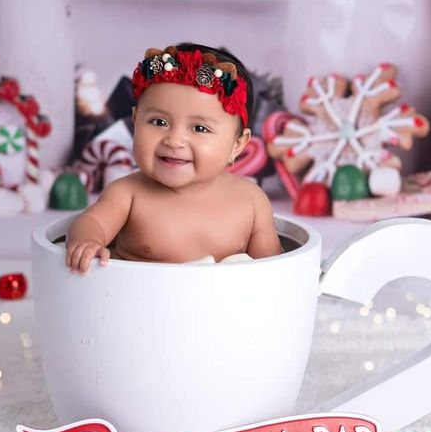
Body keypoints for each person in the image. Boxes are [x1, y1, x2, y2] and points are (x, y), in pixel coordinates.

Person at [66, 42, 282, 272]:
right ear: (135, 120)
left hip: (223, 307)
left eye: (199, 128)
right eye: (159, 122)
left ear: (237, 144)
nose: (174, 140)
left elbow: (274, 270)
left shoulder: (251, 202)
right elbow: (92, 222)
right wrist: (88, 241)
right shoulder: (128, 194)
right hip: (139, 302)